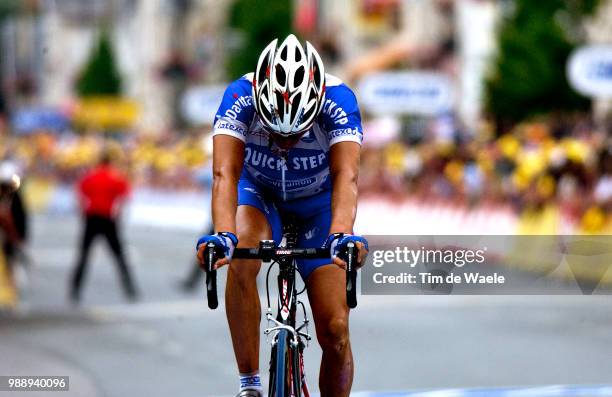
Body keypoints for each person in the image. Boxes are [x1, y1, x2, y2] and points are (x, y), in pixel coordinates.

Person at [196, 35, 368, 397]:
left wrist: (341, 234)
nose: (285, 143)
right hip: (260, 192)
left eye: (298, 133)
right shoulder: (239, 97)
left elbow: (346, 176)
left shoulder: (339, 100)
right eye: (275, 132)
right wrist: (222, 234)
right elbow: (224, 174)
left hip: (317, 204)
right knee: (241, 250)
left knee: (335, 330)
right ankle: (250, 385)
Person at [70, 151, 138, 303]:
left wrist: (83, 211)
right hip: (108, 219)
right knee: (119, 256)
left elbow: (79, 194)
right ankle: (130, 289)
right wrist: (118, 213)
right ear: (111, 162)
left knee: (84, 255)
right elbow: (125, 198)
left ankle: (75, 289)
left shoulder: (90, 177)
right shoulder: (116, 177)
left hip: (92, 218)